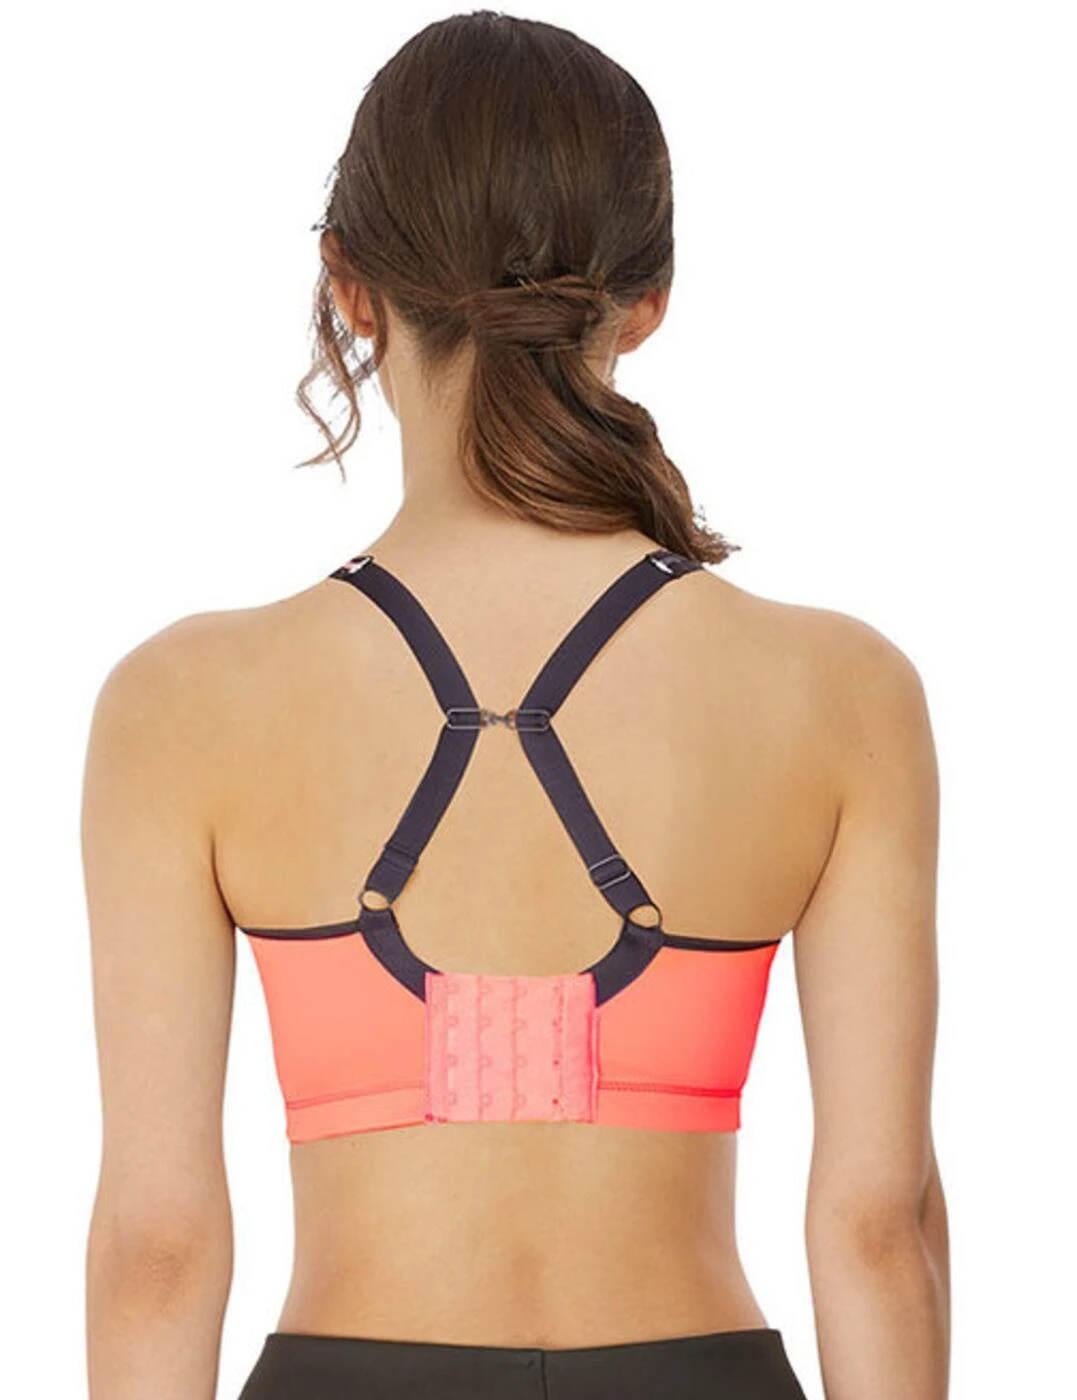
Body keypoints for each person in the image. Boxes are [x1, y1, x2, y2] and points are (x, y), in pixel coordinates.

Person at [82, 12, 950, 1399]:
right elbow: (878, 1226)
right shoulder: (839, 691)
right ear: (645, 300)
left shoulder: (182, 704)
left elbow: (158, 1250)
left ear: (348, 285)